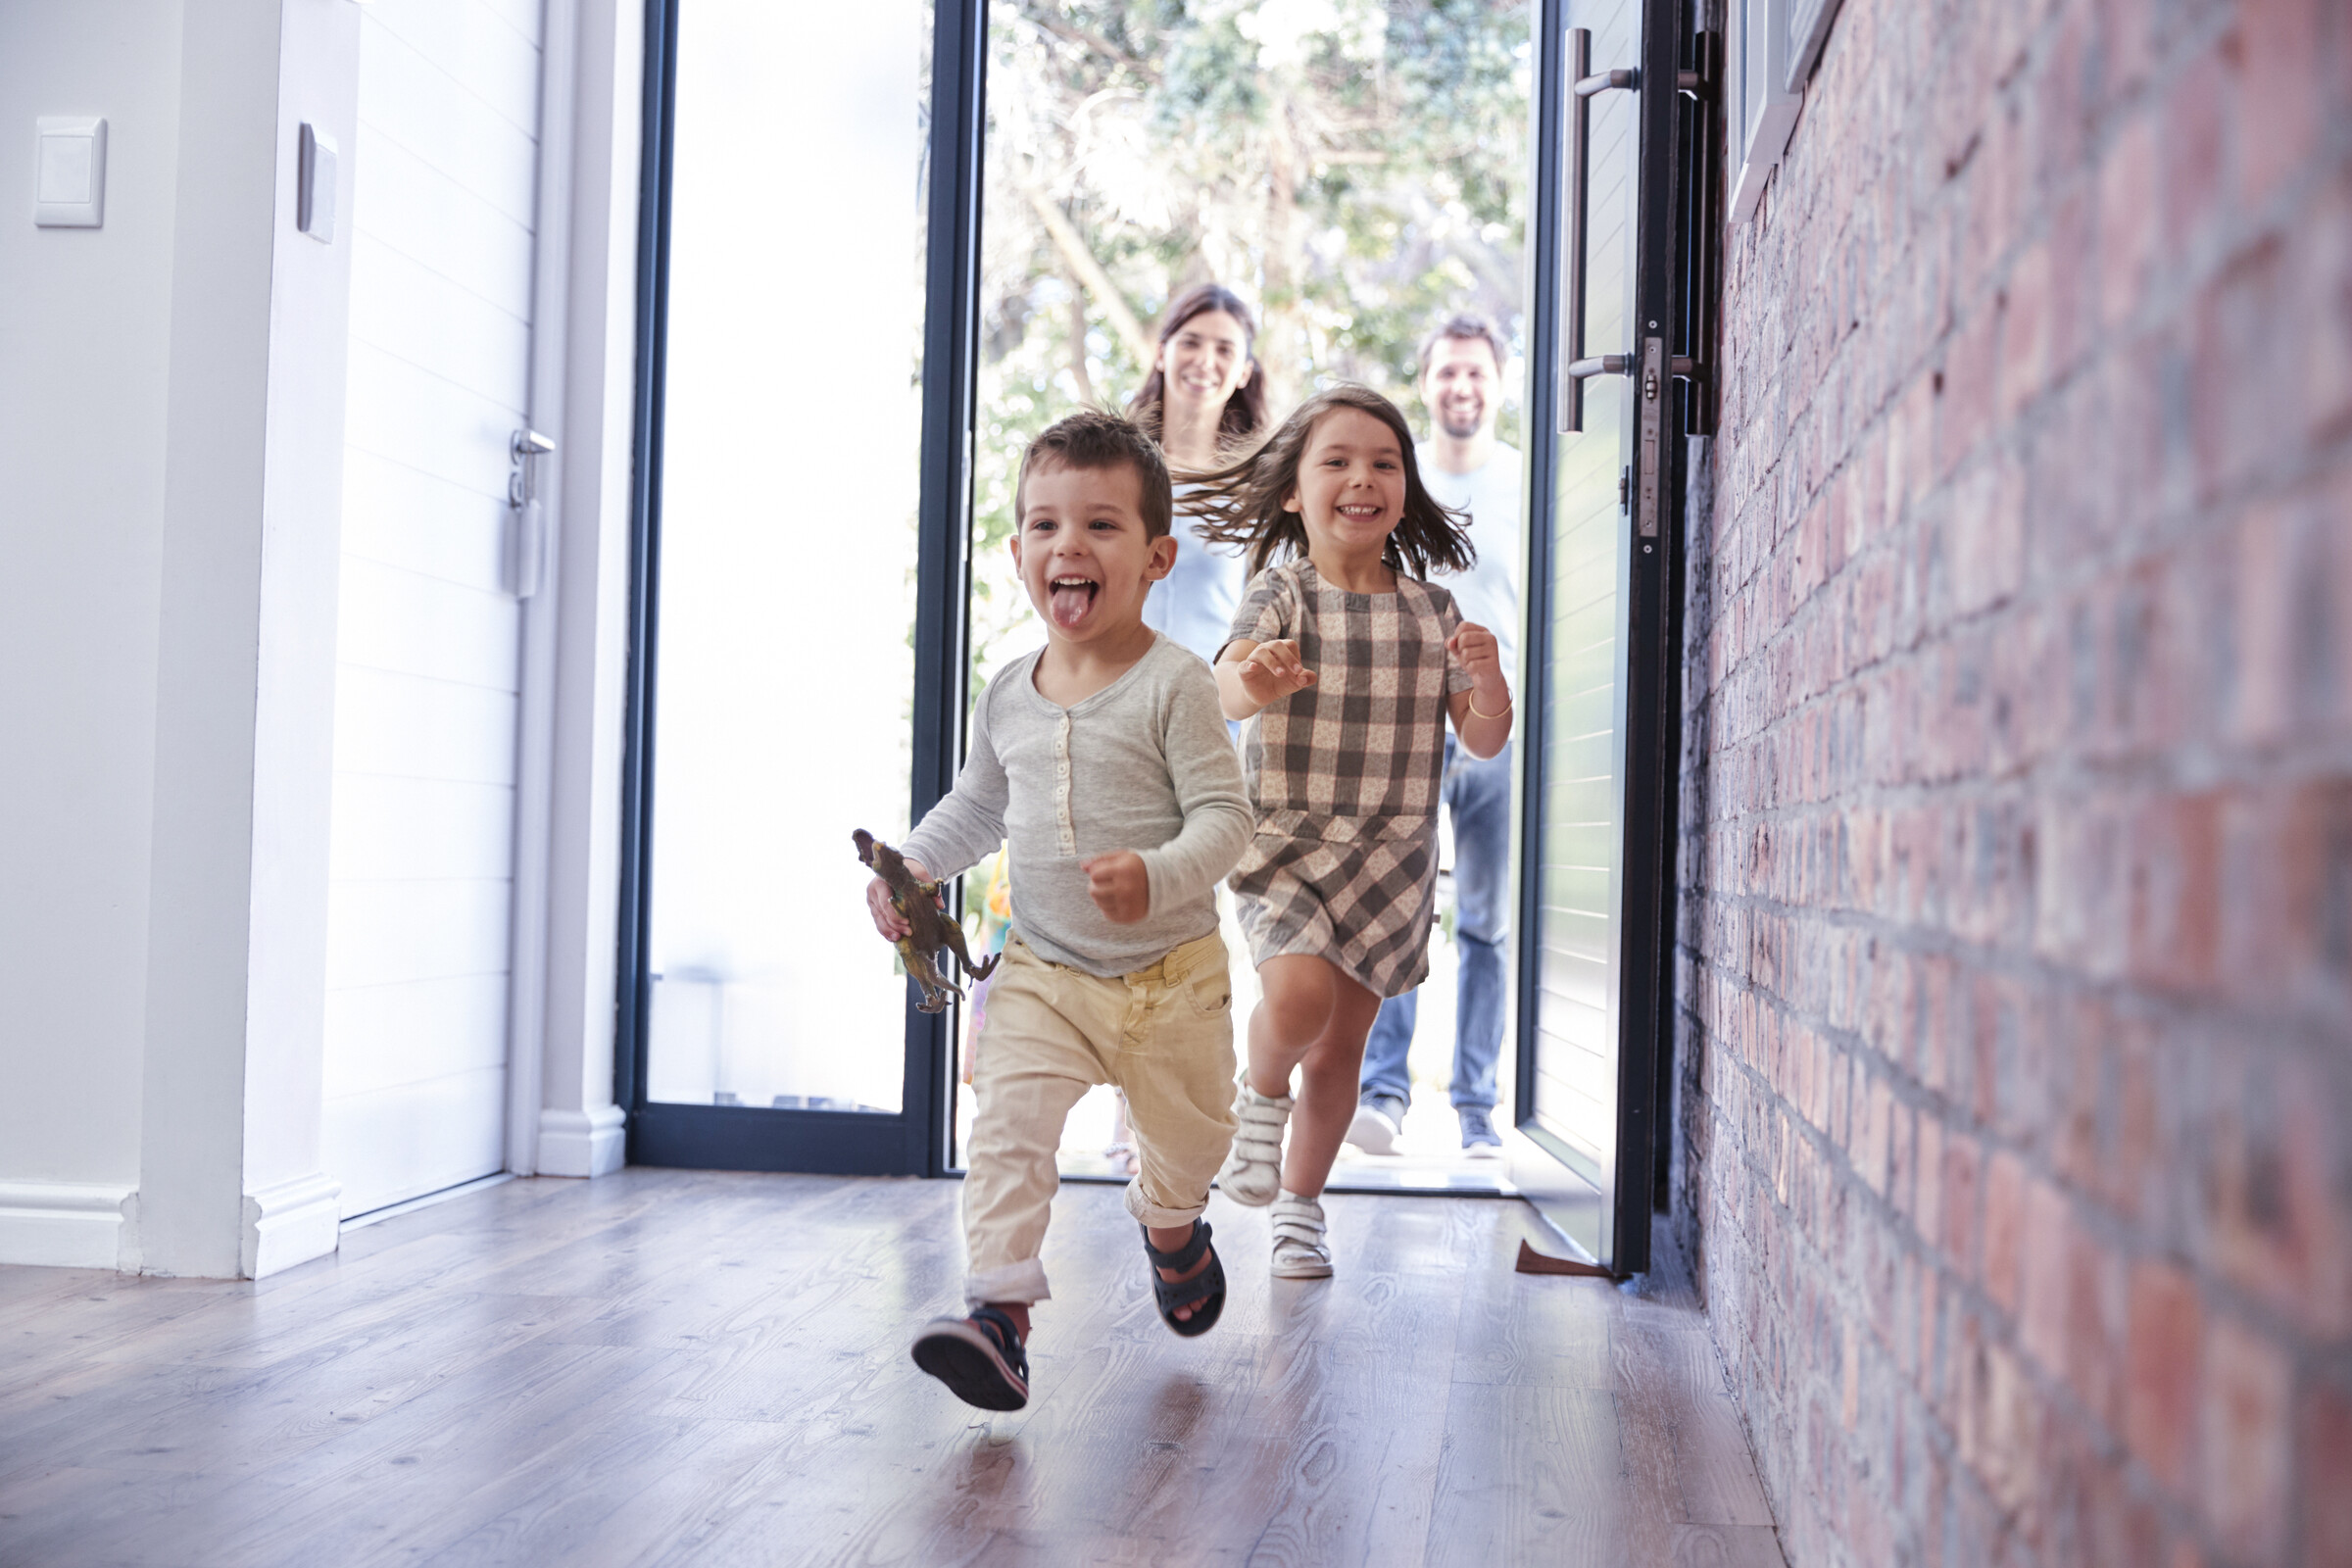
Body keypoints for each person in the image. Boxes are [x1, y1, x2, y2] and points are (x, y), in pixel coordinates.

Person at [880, 411, 1252, 1412]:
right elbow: (979, 804)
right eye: (1045, 526)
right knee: (1006, 1128)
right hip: (1043, 969)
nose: (1068, 545)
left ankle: (1171, 1223)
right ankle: (999, 1317)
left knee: (1192, 1147)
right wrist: (913, 866)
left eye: (1100, 525)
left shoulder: (1178, 685)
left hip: (1171, 980)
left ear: (1157, 558)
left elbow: (1228, 819)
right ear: (1018, 556)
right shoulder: (1008, 692)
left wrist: (1158, 874)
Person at [1184, 386, 1516, 1279]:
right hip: (1287, 848)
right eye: (1336, 461)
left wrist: (1489, 681)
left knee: (1340, 1053)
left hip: (1392, 861)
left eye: (1383, 463)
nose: (1362, 478)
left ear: (1406, 489)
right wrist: (1256, 678)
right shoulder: (1280, 592)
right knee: (1297, 1003)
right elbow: (1224, 691)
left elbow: (1484, 739)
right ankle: (1260, 1098)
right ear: (1294, 492)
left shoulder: (1436, 612)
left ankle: (1300, 1209)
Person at [1348, 315, 1525, 1159]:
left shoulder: (1527, 483)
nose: (1462, 386)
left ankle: (1477, 1109)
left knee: (1487, 921)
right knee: (1397, 913)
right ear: (1425, 383)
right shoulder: (1397, 482)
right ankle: (1383, 1096)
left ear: (1500, 383)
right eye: (1447, 371)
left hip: (1495, 725)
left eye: (1476, 372)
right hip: (1407, 727)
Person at [1128, 282, 1270, 662]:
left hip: (1213, 691)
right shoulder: (1115, 468)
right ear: (1162, 353)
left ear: (1244, 372)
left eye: (1224, 349)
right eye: (1191, 342)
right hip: (1116, 688)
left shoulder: (1258, 488)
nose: (1205, 361)